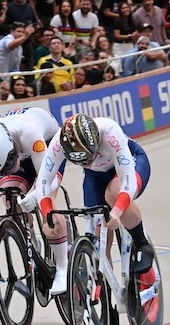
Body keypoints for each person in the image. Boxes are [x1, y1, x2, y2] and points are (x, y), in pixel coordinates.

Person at [21, 114, 155, 289]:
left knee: (113, 194)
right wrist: (47, 215)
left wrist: (117, 210)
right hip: (94, 175)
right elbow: (44, 182)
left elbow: (128, 179)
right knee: (95, 237)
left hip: (131, 163)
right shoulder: (58, 144)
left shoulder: (110, 132)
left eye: (88, 157)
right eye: (81, 160)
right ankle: (108, 295)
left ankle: (142, 243)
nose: (86, 161)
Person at [0, 107, 68, 293]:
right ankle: (32, 243)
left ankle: (63, 269)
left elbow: (48, 182)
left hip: (47, 144)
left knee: (47, 203)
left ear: (12, 151)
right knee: (9, 197)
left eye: (9, 166)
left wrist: (36, 196)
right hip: (20, 151)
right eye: (1, 171)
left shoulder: (29, 132)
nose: (9, 172)